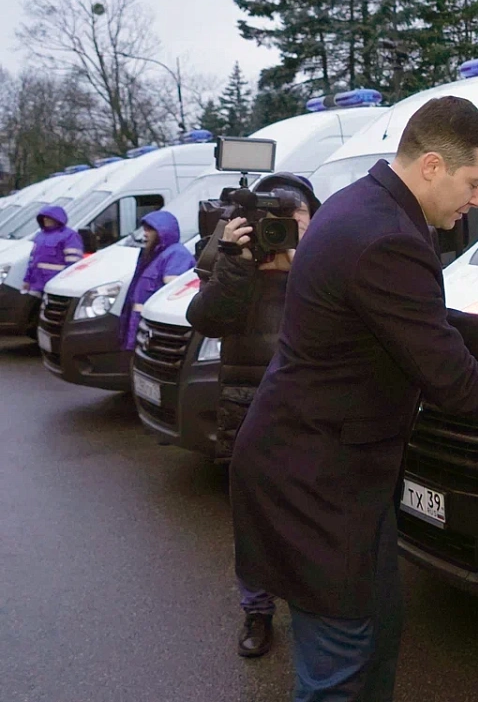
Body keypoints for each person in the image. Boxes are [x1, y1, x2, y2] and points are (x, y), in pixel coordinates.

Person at [229, 96, 478, 701]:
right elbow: (451, 383)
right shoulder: (384, 232)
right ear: (433, 164)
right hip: (318, 483)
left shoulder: (366, 206)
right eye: (475, 181)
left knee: (376, 633)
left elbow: (391, 312)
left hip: (339, 474)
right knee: (339, 665)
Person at [185, 173, 321, 660]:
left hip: (310, 411)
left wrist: (306, 260)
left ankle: (312, 609)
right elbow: (206, 317)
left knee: (309, 517)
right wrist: (235, 260)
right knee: (252, 519)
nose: (288, 228)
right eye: (279, 220)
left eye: (299, 217)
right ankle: (257, 609)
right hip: (248, 403)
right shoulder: (232, 256)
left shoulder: (328, 259)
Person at [118, 210, 195, 352]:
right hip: (142, 325)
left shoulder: (176, 254)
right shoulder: (154, 255)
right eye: (145, 229)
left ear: (162, 232)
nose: (145, 234)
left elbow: (173, 295)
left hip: (155, 329)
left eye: (150, 230)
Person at [23, 205, 84, 295]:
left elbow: (73, 263)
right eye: (43, 217)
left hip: (56, 283)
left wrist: (66, 283)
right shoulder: (40, 236)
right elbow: (32, 260)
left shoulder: (70, 236)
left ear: (57, 219)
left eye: (48, 217)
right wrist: (27, 280)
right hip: (36, 283)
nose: (45, 220)